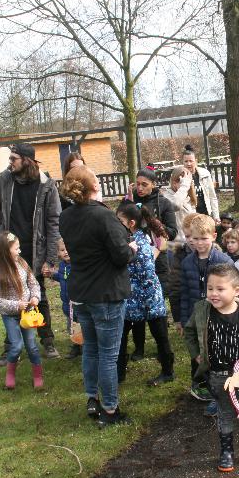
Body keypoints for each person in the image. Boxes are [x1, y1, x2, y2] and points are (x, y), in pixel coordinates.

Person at [59, 166, 137, 427]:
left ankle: (92, 399)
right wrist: (132, 248)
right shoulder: (103, 216)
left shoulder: (66, 217)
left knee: (90, 349)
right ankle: (110, 410)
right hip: (105, 293)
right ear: (93, 185)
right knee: (108, 354)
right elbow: (121, 255)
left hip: (81, 292)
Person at [184, 263, 239, 472]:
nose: (213, 294)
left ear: (236, 290)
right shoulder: (202, 310)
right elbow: (189, 331)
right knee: (224, 413)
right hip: (218, 375)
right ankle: (227, 451)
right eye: (210, 288)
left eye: (220, 289)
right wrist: (196, 354)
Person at [0, 143, 61, 365]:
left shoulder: (46, 185)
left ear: (26, 160)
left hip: (36, 250)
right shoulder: (5, 179)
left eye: (13, 158)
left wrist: (50, 258)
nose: (10, 162)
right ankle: (12, 347)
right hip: (10, 250)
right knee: (11, 296)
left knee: (39, 295)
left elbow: (54, 222)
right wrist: (0, 230)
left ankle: (47, 340)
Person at [115, 202, 175, 386]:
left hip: (148, 299)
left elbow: (146, 272)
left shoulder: (137, 242)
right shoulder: (133, 238)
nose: (116, 224)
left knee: (160, 335)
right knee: (121, 337)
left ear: (131, 223)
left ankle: (168, 372)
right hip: (133, 298)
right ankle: (118, 373)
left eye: (119, 220)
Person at [126, 167, 179, 360]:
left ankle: (162, 347)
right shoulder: (130, 202)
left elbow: (172, 232)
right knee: (136, 306)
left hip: (158, 261)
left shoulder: (163, 203)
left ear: (153, 185)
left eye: (144, 185)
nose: (140, 188)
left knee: (156, 307)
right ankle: (139, 347)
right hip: (134, 261)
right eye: (137, 184)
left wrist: (154, 223)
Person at [180, 214, 233, 402]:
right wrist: (183, 320)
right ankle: (200, 385)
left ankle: (221, 387)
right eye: (195, 239)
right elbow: (185, 293)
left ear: (214, 236)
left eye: (204, 238)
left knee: (218, 350)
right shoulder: (187, 262)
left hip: (218, 315)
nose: (199, 243)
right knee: (197, 351)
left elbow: (232, 291)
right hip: (196, 316)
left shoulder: (223, 261)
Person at [0, 231, 43, 390]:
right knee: (17, 346)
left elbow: (33, 284)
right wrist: (16, 305)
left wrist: (35, 297)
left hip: (28, 314)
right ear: (5, 251)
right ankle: (10, 374)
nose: (20, 251)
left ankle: (38, 375)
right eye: (16, 248)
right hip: (10, 316)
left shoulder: (22, 264)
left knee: (32, 346)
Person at [52, 240, 80, 360]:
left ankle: (85, 346)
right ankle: (76, 347)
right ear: (58, 253)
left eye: (68, 249)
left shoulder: (77, 264)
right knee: (71, 327)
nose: (66, 252)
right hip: (67, 305)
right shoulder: (62, 265)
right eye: (63, 250)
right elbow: (62, 277)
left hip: (78, 303)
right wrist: (52, 275)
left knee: (81, 326)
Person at [159, 165, 196, 246]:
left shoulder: (187, 196)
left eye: (187, 181)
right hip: (173, 245)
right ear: (174, 182)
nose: (186, 184)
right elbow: (175, 204)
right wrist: (184, 185)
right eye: (182, 181)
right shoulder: (166, 196)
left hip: (189, 243)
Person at [181, 146, 220, 220]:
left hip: (206, 214)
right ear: (182, 162)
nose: (188, 164)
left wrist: (216, 216)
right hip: (190, 216)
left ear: (196, 161)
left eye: (191, 161)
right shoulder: (179, 177)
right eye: (186, 161)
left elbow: (212, 196)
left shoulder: (205, 174)